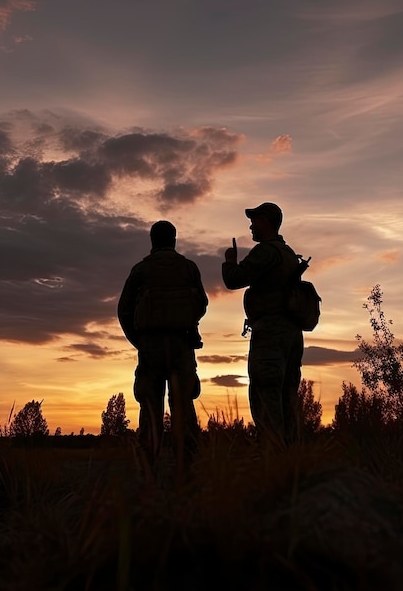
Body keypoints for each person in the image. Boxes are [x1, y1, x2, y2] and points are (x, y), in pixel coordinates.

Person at [118, 221, 208, 475]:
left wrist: (140, 340)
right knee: (183, 408)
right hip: (182, 347)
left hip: (150, 349)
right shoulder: (188, 268)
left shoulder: (141, 270)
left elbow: (124, 310)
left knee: (150, 407)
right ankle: (187, 469)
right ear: (174, 240)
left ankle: (148, 470)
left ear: (152, 240)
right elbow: (201, 304)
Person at [221, 202, 303, 447]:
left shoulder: (266, 251)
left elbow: (234, 280)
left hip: (271, 334)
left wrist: (230, 261)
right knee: (287, 397)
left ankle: (273, 455)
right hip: (291, 334)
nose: (251, 226)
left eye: (255, 220)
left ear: (266, 222)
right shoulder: (287, 252)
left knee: (266, 394)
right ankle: (291, 457)